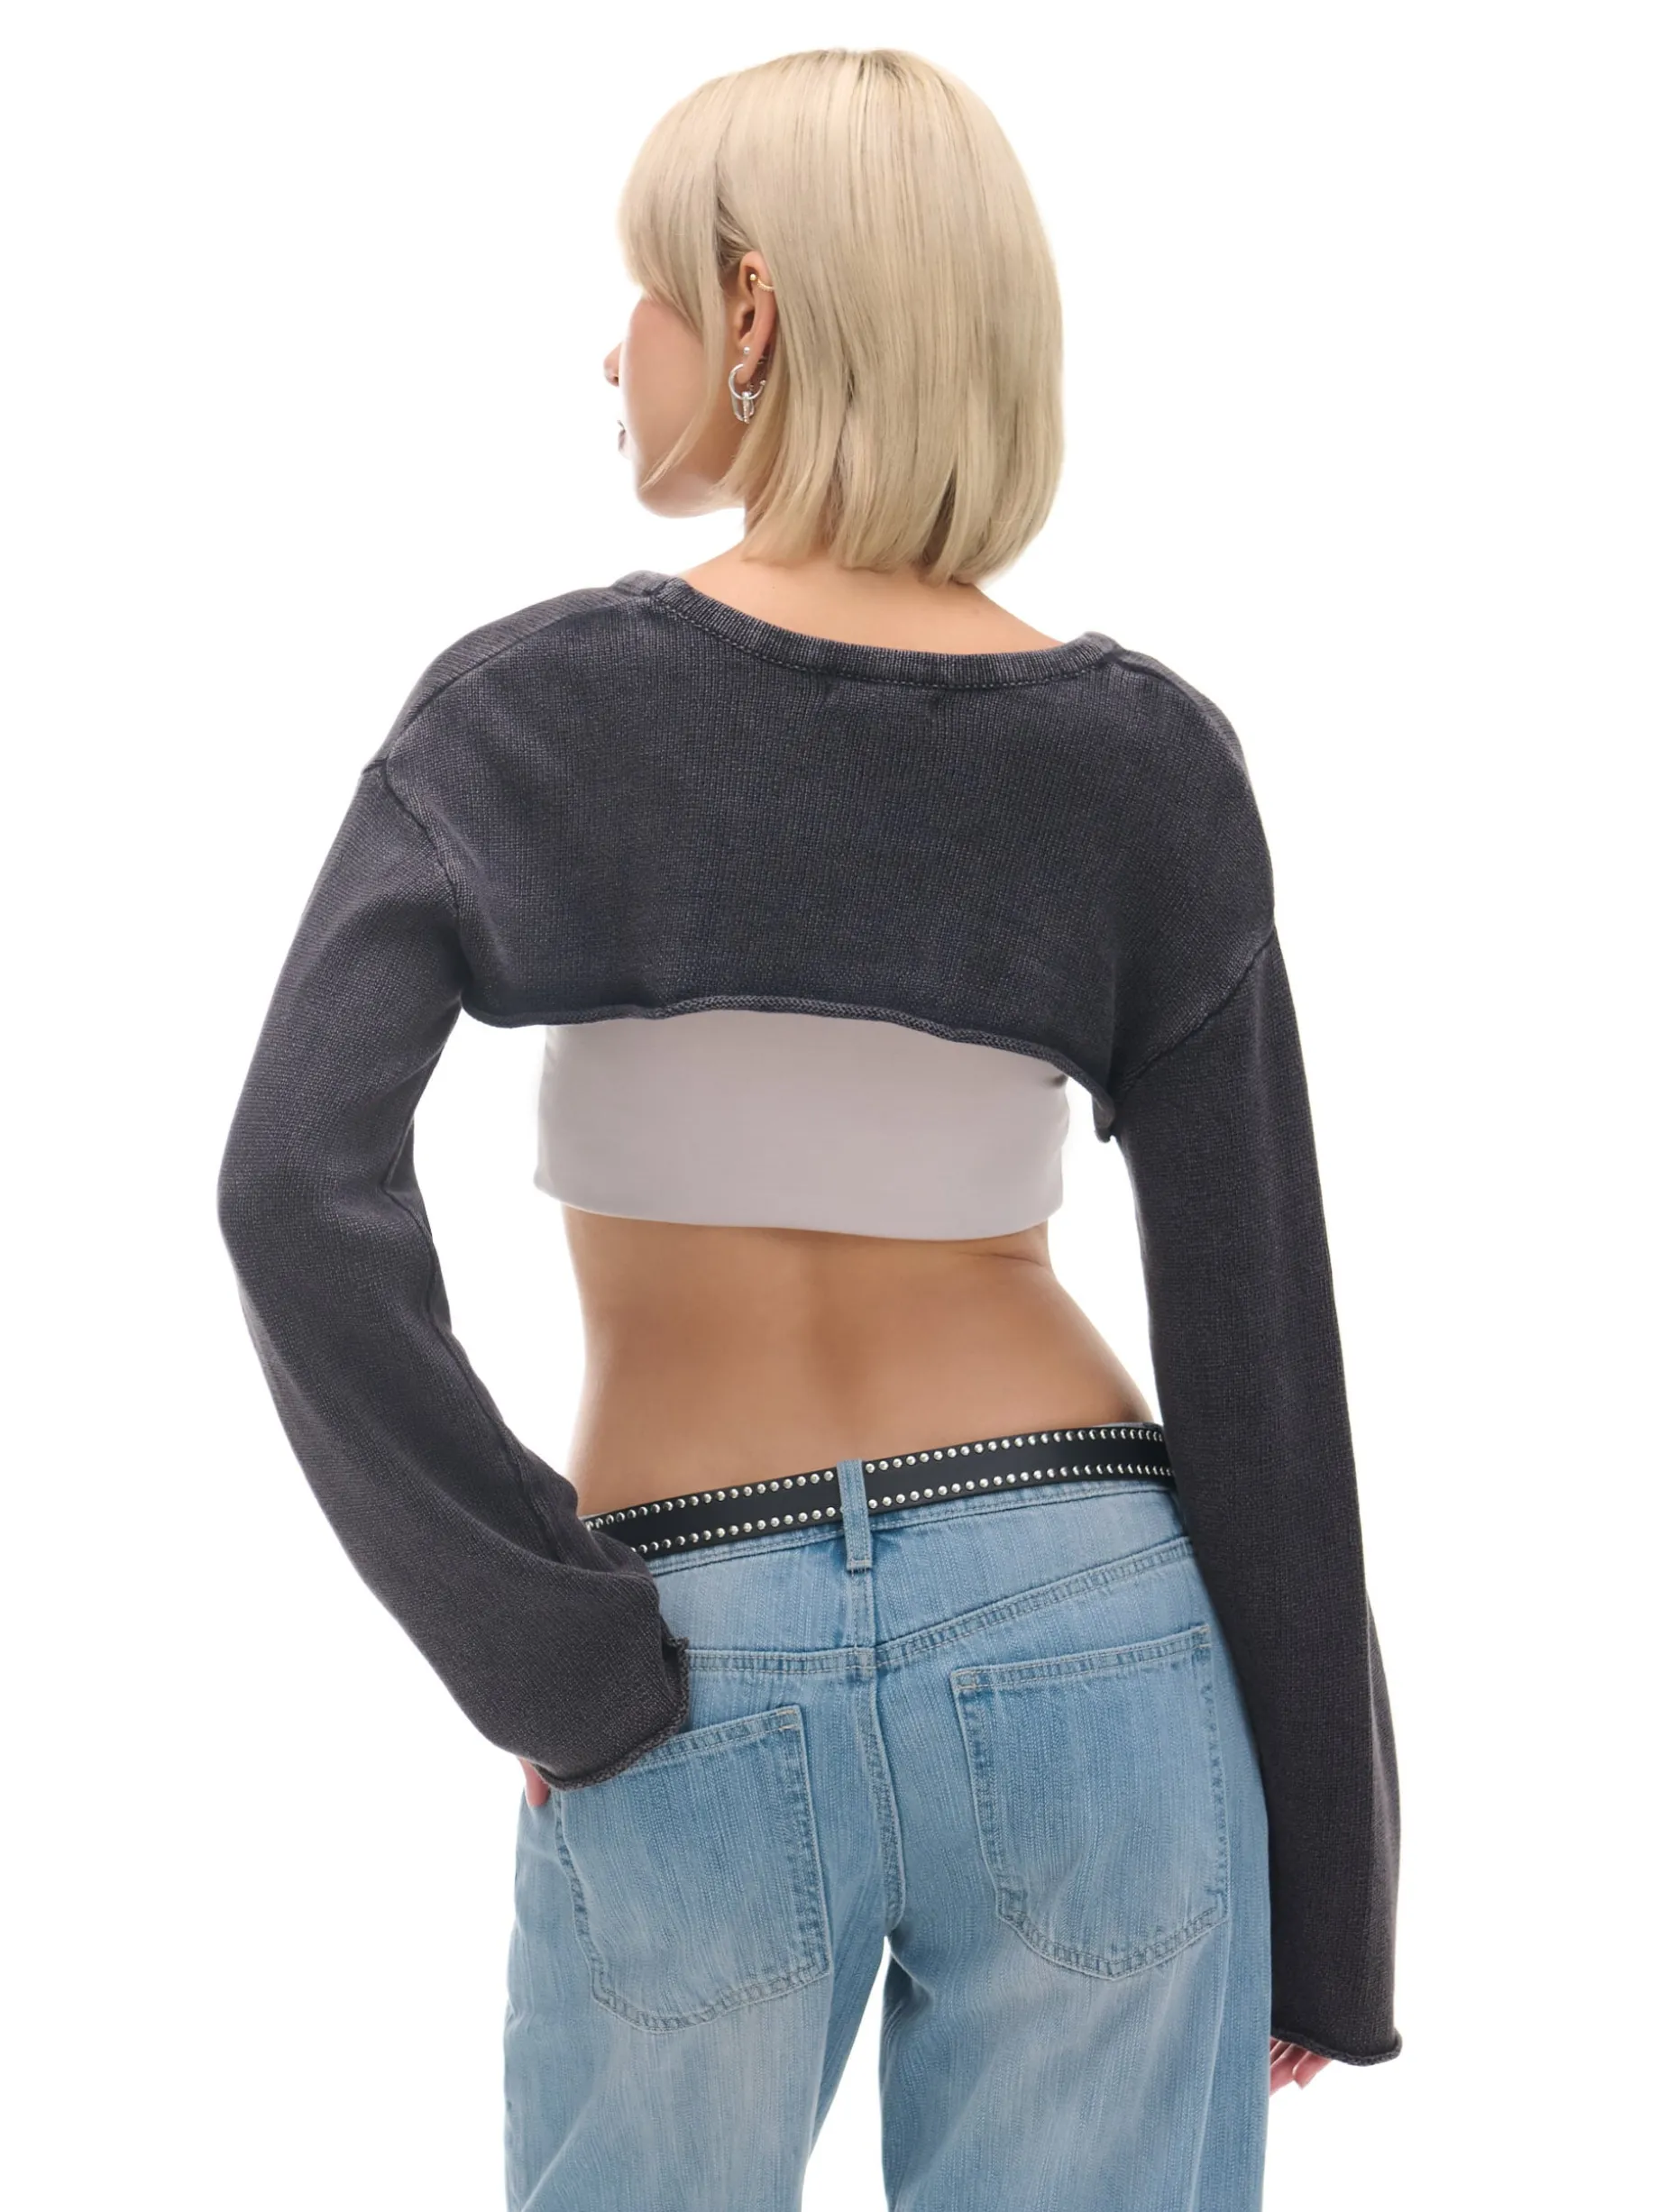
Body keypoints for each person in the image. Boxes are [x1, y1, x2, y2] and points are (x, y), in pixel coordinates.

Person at [216, 45, 1401, 2212]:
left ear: (749, 311)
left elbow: (292, 1191)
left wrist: (537, 1641)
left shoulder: (526, 718)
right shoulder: (1145, 762)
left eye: (645, 293)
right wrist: (1327, 1890)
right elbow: (1261, 1349)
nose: (613, 348)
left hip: (685, 1653)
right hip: (1089, 1623)